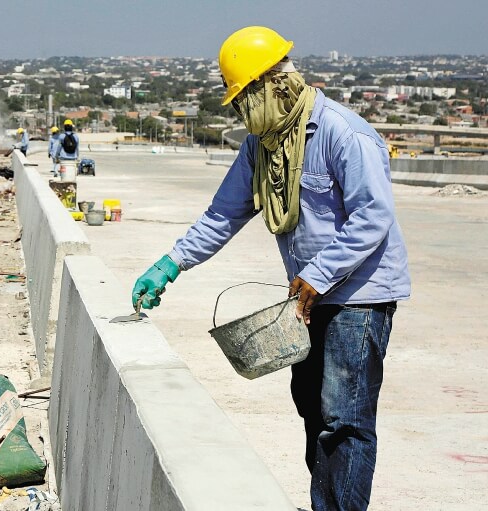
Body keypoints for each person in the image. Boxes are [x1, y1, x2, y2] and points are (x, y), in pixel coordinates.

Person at [131, 26, 410, 511]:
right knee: (311, 409)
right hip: (307, 297)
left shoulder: (344, 133)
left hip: (359, 297)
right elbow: (224, 214)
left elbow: (373, 217)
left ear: (275, 86)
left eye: (243, 99)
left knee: (344, 420)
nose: (240, 112)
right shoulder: (261, 146)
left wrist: (319, 274)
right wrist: (170, 264)